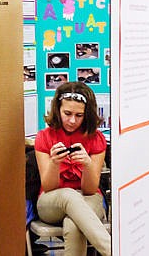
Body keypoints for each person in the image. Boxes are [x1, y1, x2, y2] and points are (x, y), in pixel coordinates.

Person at [35, 82, 110, 256]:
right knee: (69, 195)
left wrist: (87, 165)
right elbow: (48, 187)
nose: (72, 120)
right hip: (51, 201)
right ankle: (113, 250)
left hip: (88, 197)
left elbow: (90, 189)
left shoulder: (96, 138)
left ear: (87, 115)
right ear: (57, 109)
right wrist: (54, 164)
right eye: (67, 113)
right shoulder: (44, 137)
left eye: (79, 115)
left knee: (73, 224)